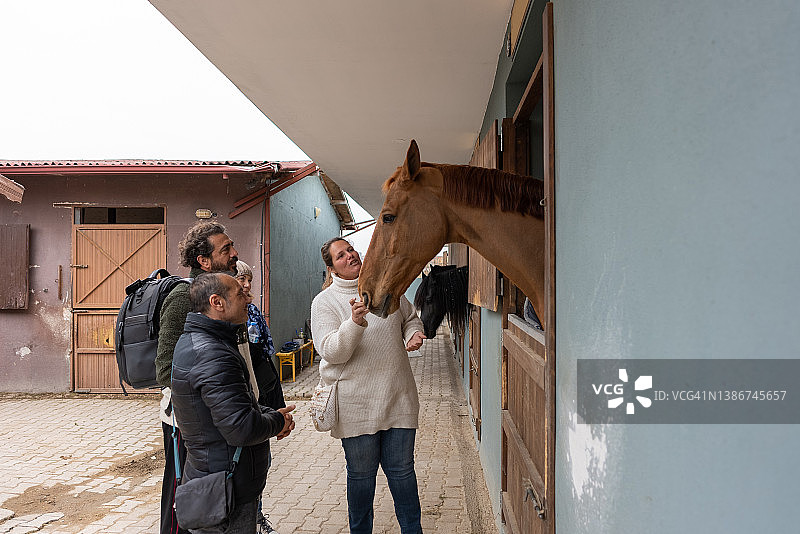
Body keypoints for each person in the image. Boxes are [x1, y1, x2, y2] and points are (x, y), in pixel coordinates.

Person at [310, 237, 426, 534]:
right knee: (361, 479)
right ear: (331, 267)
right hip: (355, 407)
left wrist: (413, 333)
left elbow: (410, 318)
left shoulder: (386, 286)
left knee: (402, 475)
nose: (350, 256)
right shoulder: (324, 302)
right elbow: (331, 351)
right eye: (341, 255)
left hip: (397, 397)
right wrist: (354, 324)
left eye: (351, 250)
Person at [171, 272, 296, 534]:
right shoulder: (213, 354)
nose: (249, 299)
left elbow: (235, 404)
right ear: (217, 302)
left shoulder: (201, 341)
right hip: (227, 487)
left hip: (217, 476)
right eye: (240, 294)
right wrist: (277, 420)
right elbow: (241, 428)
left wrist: (269, 414)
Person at [155, 221, 240, 534]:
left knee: (216, 500)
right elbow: (164, 367)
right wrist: (213, 382)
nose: (234, 253)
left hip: (218, 419)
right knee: (185, 501)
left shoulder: (226, 295)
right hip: (185, 422)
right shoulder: (183, 298)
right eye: (226, 249)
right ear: (204, 261)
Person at [234, 260, 284, 534]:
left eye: (249, 279)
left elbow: (266, 355)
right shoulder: (227, 314)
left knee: (261, 461)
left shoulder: (252, 310)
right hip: (239, 398)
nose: (247, 284)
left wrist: (277, 407)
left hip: (260, 393)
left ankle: (256, 516)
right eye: (242, 278)